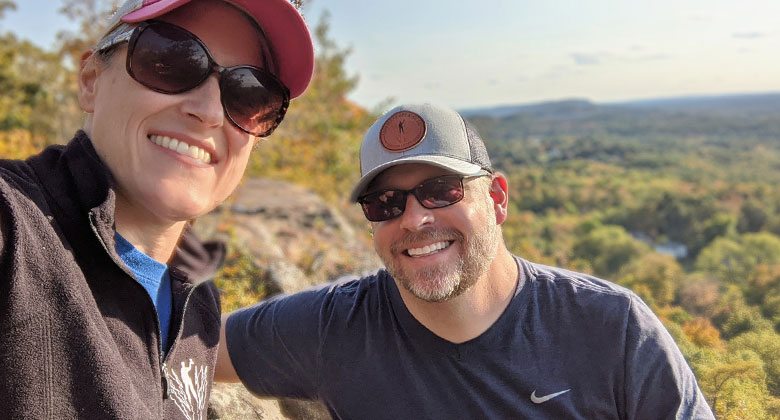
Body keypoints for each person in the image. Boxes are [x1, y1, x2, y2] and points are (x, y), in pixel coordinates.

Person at [216, 103, 716, 419]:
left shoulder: (612, 330)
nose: (413, 220)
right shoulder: (336, 328)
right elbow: (187, 349)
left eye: (440, 191)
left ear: (497, 199)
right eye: (386, 203)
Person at [0, 0, 313, 418]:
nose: (208, 112)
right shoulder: (15, 225)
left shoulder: (197, 302)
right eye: (169, 60)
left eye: (249, 94)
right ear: (91, 79)